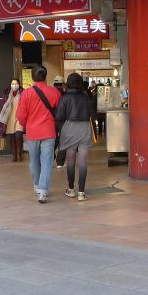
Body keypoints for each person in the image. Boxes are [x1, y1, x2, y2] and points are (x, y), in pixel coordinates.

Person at [17, 66, 61, 203]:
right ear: (45, 76)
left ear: (32, 77)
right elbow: (59, 113)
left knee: (34, 160)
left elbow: (21, 115)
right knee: (47, 161)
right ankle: (42, 190)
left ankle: (37, 186)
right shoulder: (55, 92)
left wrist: (27, 124)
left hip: (32, 132)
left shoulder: (26, 94)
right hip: (49, 131)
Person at [56, 73, 95, 202]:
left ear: (68, 83)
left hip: (70, 129)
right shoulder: (86, 97)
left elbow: (59, 116)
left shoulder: (64, 98)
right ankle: (81, 192)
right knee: (83, 162)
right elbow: (92, 114)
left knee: (71, 160)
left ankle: (71, 189)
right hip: (84, 128)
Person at [0, 78, 24, 162]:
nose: (14, 85)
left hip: (19, 118)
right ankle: (14, 155)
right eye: (13, 84)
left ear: (19, 85)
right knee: (12, 137)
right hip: (9, 118)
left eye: (16, 84)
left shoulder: (23, 93)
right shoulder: (7, 94)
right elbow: (3, 105)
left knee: (18, 136)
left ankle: (19, 155)